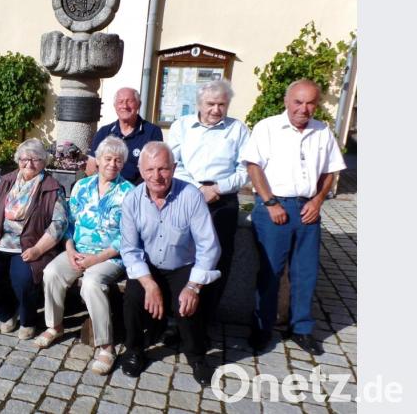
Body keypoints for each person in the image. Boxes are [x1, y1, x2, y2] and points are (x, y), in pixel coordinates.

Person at [241, 79, 346, 356]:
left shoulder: (322, 131)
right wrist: (271, 202)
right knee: (270, 273)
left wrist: (318, 200)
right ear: (287, 102)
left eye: (310, 102)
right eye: (298, 102)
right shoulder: (267, 127)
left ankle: (301, 329)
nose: (304, 108)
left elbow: (330, 172)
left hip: (308, 209)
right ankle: (261, 329)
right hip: (275, 208)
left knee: (305, 273)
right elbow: (254, 167)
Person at [119, 142, 221, 384]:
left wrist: (193, 286)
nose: (157, 176)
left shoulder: (191, 197)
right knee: (133, 297)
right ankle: (134, 350)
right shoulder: (132, 200)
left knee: (187, 304)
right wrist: (149, 284)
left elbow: (209, 245)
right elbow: (130, 249)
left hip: (182, 265)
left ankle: (196, 356)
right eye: (150, 170)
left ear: (174, 168)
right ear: (141, 171)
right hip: (149, 265)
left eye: (163, 169)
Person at [37, 136, 134, 375]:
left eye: (118, 160)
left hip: (110, 256)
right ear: (98, 161)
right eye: (108, 158)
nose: (112, 164)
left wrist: (96, 259)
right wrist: (69, 250)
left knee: (91, 282)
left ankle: (106, 346)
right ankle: (55, 326)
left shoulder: (130, 192)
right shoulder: (82, 186)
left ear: (123, 164)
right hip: (77, 251)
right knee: (52, 272)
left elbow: (127, 237)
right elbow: (69, 225)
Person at [167, 80, 249, 322]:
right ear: (199, 104)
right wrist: (198, 189)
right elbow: (174, 163)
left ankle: (205, 318)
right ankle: (176, 318)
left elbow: (245, 168)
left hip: (223, 200)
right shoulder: (181, 126)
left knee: (218, 259)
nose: (216, 109)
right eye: (210, 104)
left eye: (221, 104)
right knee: (182, 254)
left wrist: (217, 188)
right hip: (186, 197)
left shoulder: (238, 129)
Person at [0, 139, 69, 340]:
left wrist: (38, 250)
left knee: (23, 278)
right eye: (25, 159)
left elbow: (59, 224)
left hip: (31, 244)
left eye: (35, 159)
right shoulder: (6, 181)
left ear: (44, 162)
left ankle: (28, 320)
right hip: (0, 241)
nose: (29, 164)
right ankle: (7, 314)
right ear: (18, 160)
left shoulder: (52, 187)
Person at [86, 87, 163, 184]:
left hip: (137, 191)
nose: (124, 106)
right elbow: (91, 166)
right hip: (107, 188)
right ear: (115, 106)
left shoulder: (152, 132)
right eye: (120, 102)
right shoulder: (104, 132)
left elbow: (155, 167)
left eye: (129, 101)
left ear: (138, 104)